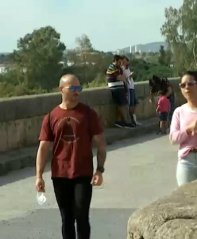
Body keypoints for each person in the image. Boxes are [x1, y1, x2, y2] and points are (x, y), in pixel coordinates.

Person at [35, 74, 107, 239]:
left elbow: (101, 144)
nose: (77, 92)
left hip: (83, 172)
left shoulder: (88, 114)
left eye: (79, 88)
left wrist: (99, 170)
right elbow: (43, 148)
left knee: (81, 216)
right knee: (66, 219)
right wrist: (39, 176)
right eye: (73, 88)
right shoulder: (51, 116)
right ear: (61, 90)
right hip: (60, 174)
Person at [106, 55, 134, 128]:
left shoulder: (119, 68)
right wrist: (123, 78)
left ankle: (120, 121)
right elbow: (121, 77)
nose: (120, 63)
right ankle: (126, 121)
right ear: (115, 61)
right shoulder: (112, 68)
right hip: (116, 88)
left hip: (120, 88)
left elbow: (123, 77)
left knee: (122, 104)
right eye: (119, 62)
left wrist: (123, 78)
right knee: (122, 104)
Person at [123, 56, 141, 126]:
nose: (126, 63)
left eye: (126, 61)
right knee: (130, 105)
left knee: (134, 104)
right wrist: (130, 76)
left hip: (132, 87)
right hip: (128, 88)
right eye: (124, 61)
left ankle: (134, 120)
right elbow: (125, 79)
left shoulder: (128, 69)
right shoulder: (123, 70)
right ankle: (131, 121)